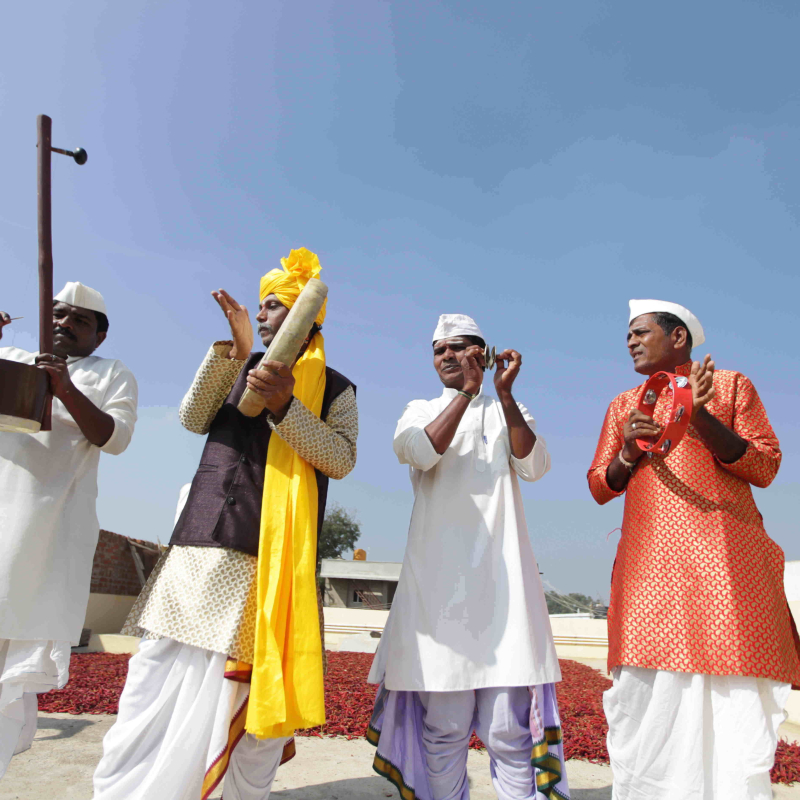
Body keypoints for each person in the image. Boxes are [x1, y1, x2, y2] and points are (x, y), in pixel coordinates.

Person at [93, 248, 358, 800]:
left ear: (306, 316)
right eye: (259, 308)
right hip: (198, 546)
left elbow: (340, 458)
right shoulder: (238, 364)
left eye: (272, 306)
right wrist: (233, 353)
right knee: (154, 674)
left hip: (268, 560)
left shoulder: (336, 388)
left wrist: (287, 406)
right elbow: (193, 417)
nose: (261, 317)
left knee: (231, 695)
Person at [588, 299, 800, 799]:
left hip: (727, 570)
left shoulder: (730, 386)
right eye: (627, 336)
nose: (631, 341)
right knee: (645, 702)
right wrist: (627, 450)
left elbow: (765, 467)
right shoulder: (625, 405)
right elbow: (601, 485)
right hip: (648, 575)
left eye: (641, 333)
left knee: (735, 701)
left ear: (677, 337)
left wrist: (698, 416)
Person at [367, 314, 569, 800]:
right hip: (437, 596)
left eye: (461, 348)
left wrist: (501, 394)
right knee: (445, 729)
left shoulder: (508, 408)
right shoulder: (420, 409)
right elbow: (420, 451)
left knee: (507, 731)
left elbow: (535, 465)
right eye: (440, 351)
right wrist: (463, 395)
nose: (449, 357)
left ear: (485, 351)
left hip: (505, 595)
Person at [0, 282, 138, 778]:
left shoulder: (111, 374)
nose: (64, 324)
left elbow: (113, 437)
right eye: (58, 314)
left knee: (13, 672)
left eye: (80, 320)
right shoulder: (11, 355)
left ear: (99, 336)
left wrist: (65, 389)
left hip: (48, 535)